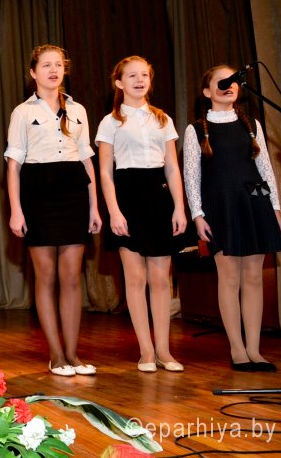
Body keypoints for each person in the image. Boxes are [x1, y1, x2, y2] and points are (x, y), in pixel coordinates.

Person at [5, 44, 102, 377]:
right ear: (33, 73)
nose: (53, 70)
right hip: (38, 191)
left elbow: (87, 160)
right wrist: (16, 210)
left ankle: (73, 355)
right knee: (45, 276)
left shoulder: (78, 110)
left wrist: (94, 207)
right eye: (46, 65)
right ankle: (56, 355)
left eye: (58, 65)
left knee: (72, 276)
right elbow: (14, 165)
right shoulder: (22, 112)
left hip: (73, 189)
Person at [183, 65, 281, 372]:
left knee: (253, 277)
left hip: (254, 203)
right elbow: (192, 176)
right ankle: (237, 350)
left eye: (232, 81)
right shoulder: (196, 130)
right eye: (221, 82)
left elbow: (265, 169)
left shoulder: (250, 124)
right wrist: (197, 214)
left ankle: (254, 349)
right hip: (221, 207)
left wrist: (275, 208)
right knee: (229, 277)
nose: (228, 86)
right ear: (207, 91)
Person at [96, 56, 187, 373]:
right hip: (127, 197)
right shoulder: (110, 122)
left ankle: (164, 350)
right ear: (119, 82)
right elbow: (105, 172)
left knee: (161, 279)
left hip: (158, 198)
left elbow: (172, 167)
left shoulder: (162, 119)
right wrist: (114, 211)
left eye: (144, 75)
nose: (139, 80)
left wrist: (179, 207)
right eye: (132, 75)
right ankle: (146, 351)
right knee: (135, 279)